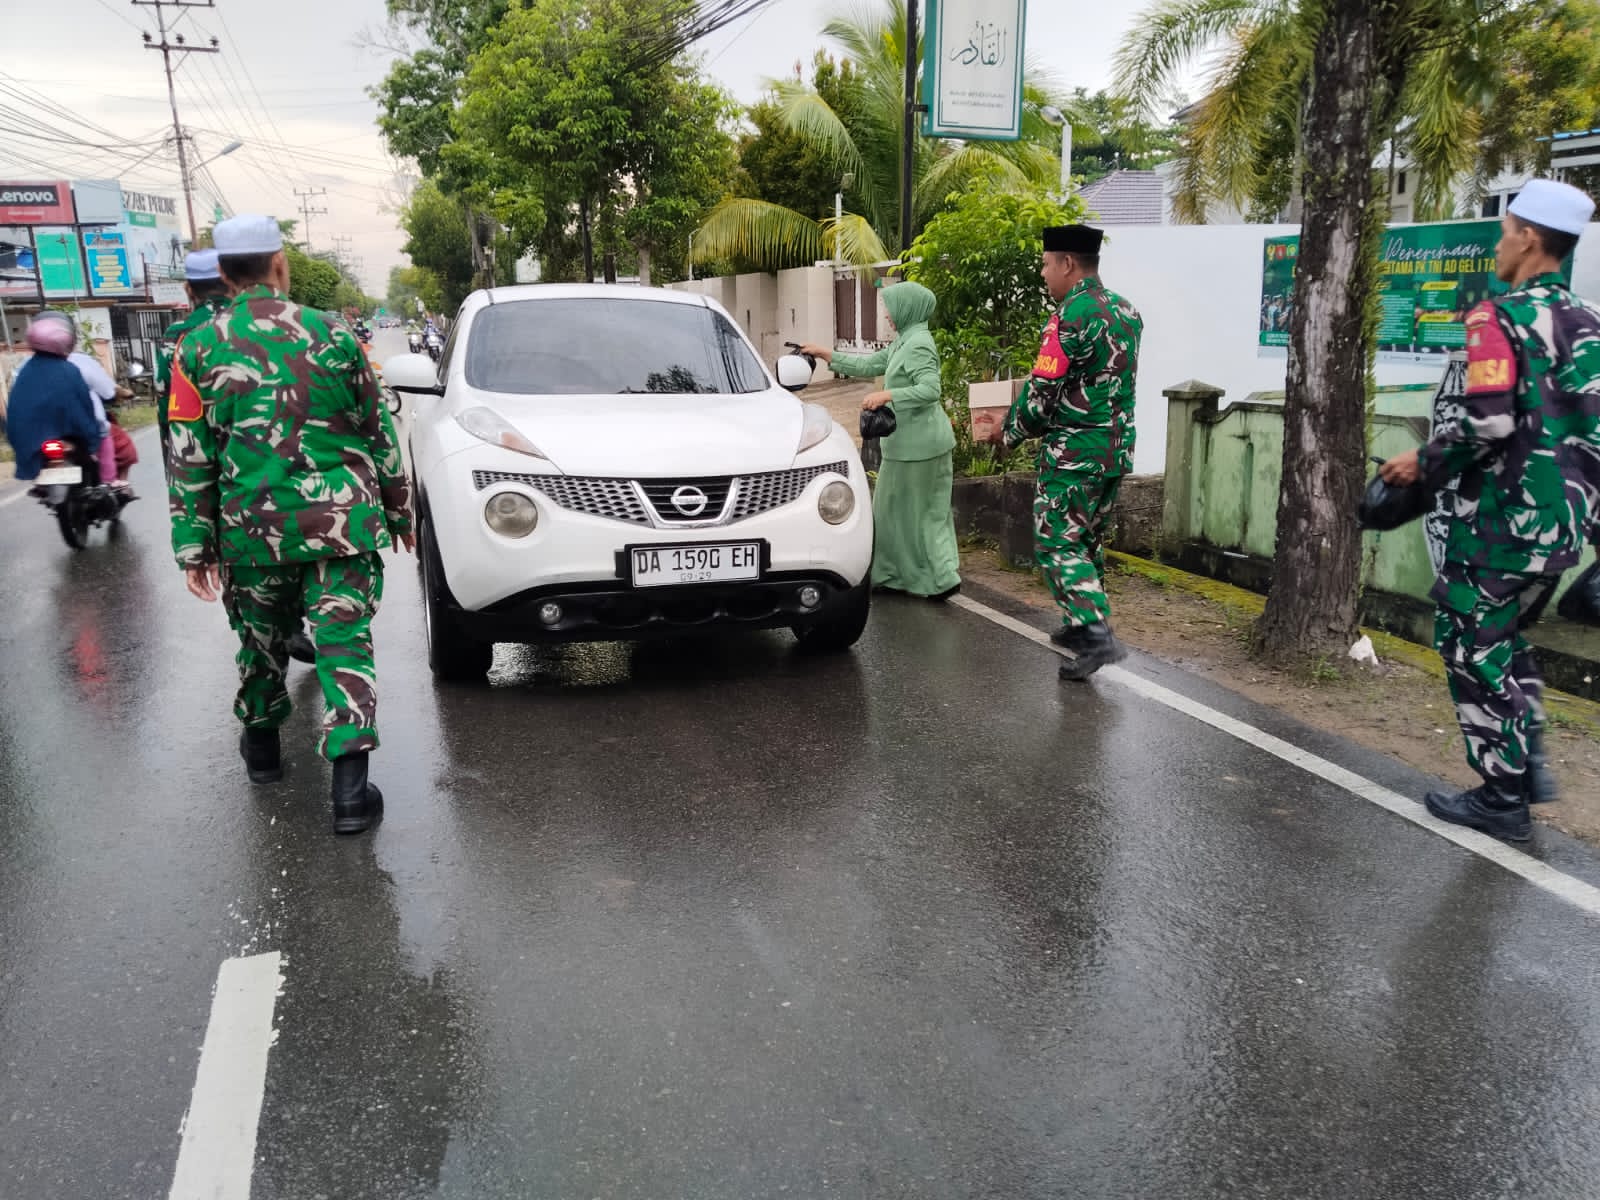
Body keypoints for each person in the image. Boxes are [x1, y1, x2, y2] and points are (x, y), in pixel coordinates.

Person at [168, 214, 414, 835]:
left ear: (223, 274)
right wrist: (399, 510)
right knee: (343, 646)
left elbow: (190, 457)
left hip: (252, 533)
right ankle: (350, 795)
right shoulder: (334, 334)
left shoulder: (194, 349)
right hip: (342, 529)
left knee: (260, 644)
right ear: (280, 263)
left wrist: (195, 547)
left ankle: (263, 756)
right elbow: (378, 429)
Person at [1379, 178, 1600, 843]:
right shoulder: (1589, 321)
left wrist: (1420, 463)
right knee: (1504, 640)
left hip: (1501, 524)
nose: (1498, 246)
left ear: (1529, 238)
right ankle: (1525, 765)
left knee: (1467, 645)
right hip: (1564, 528)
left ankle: (1503, 793)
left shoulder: (1495, 318)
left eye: (1504, 233)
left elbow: (1490, 421)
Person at [989, 223, 1144, 681]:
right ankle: (1080, 625)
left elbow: (1042, 395)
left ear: (1068, 264)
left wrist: (1007, 432)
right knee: (1087, 538)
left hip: (1074, 452)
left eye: (1045, 264)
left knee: (1058, 538)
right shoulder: (1127, 311)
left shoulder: (1069, 317)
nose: (1043, 273)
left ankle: (1096, 634)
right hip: (1115, 450)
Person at [799, 281, 960, 598]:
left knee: (925, 514)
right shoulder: (905, 341)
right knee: (891, 513)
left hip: (923, 446)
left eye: (891, 308)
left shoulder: (919, 344)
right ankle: (892, 576)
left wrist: (887, 395)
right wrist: (823, 353)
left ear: (907, 308)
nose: (887, 315)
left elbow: (930, 390)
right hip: (905, 445)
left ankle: (941, 578)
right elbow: (869, 364)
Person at [4, 314, 102, 483]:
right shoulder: (69, 371)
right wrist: (92, 442)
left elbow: (15, 412)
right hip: (68, 439)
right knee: (92, 465)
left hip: (31, 444)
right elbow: (84, 409)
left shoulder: (24, 371)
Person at [155, 249, 231, 460]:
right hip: (249, 453)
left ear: (188, 289)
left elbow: (166, 401)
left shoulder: (176, 334)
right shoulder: (252, 324)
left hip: (195, 453)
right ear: (230, 282)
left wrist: (171, 457)